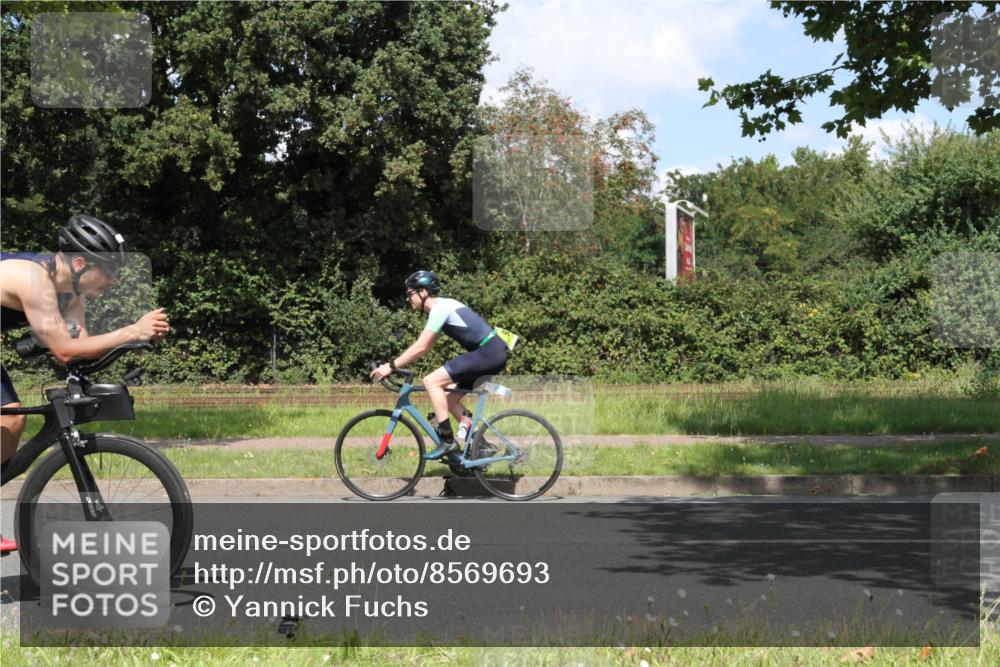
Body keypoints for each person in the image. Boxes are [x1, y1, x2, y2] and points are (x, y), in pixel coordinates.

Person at [1, 214, 170, 553]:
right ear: (80, 263)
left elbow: (79, 351)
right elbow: (64, 350)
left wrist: (133, 342)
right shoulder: (35, 281)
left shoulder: (71, 294)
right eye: (108, 271)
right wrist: (131, 331)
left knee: (10, 420)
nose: (112, 281)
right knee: (12, 418)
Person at [370, 270, 508, 458]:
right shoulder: (443, 307)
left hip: (487, 352)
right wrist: (394, 365)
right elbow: (425, 347)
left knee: (431, 381)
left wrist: (390, 366)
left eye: (410, 293)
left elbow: (420, 347)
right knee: (448, 400)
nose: (408, 299)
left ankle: (448, 441)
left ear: (423, 292)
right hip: (491, 352)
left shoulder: (440, 309)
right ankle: (481, 445)